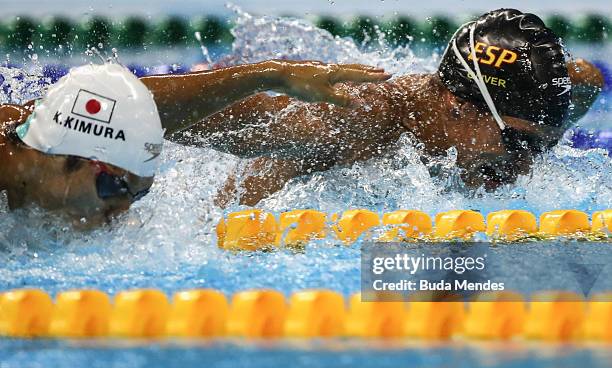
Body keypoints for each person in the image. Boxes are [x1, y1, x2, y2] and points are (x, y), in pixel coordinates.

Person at [173, 9, 604, 207]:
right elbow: (183, 119)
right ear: (456, 105)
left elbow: (586, 79)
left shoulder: (551, 102)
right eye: (517, 141)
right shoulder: (352, 119)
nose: (527, 166)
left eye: (544, 146)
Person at [0, 60, 389, 225]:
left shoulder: (50, 130)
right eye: (113, 187)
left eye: (138, 194)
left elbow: (124, 105)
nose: (121, 214)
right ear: (70, 158)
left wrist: (271, 75)